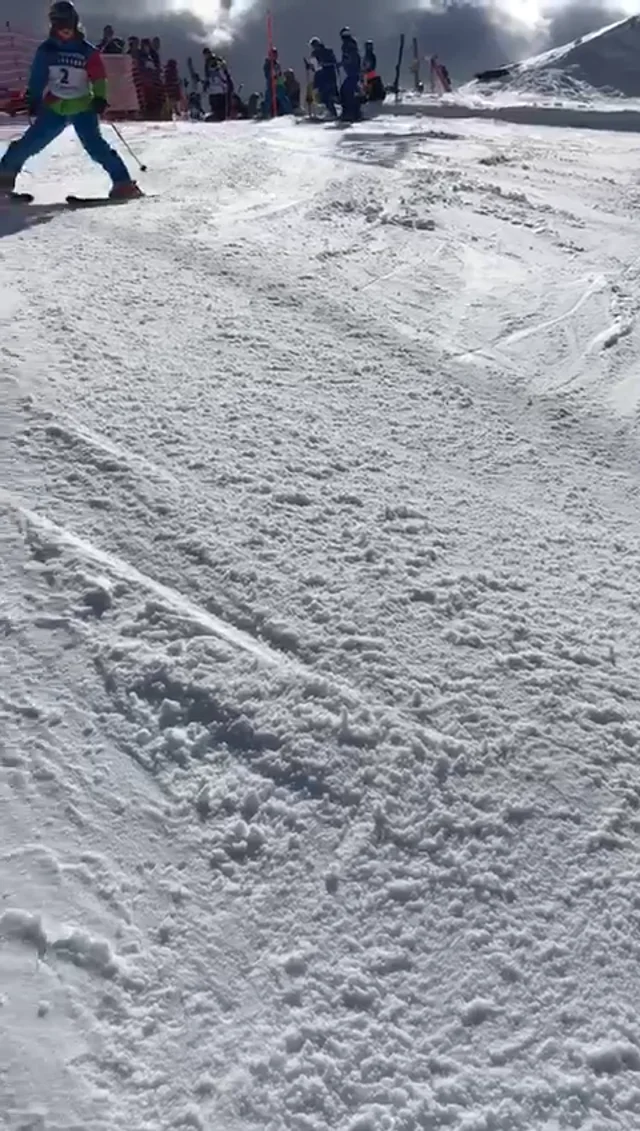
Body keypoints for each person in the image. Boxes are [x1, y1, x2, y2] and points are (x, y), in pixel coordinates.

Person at [0, 0, 140, 199]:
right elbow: (38, 76)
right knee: (28, 144)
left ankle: (123, 184)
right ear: (53, 26)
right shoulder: (47, 50)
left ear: (76, 23)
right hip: (55, 106)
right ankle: (2, 183)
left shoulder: (87, 51)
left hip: (83, 106)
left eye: (69, 25)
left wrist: (100, 97)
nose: (65, 30)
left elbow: (98, 77)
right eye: (60, 26)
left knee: (95, 146)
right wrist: (33, 97)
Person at [307, 37, 338, 118]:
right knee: (321, 95)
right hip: (321, 77)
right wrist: (309, 66)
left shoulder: (327, 51)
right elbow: (315, 67)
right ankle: (328, 111)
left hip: (328, 76)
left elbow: (333, 62)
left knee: (327, 95)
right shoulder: (315, 54)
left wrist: (324, 64)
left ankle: (332, 112)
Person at [338, 27, 362, 121]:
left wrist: (343, 63)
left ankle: (350, 113)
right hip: (352, 73)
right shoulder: (351, 45)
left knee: (346, 92)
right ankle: (352, 112)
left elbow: (351, 59)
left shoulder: (348, 46)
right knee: (348, 92)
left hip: (353, 73)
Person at [263, 47, 291, 116]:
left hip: (278, 84)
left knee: (283, 98)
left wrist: (280, 79)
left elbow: (279, 74)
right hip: (271, 84)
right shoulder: (268, 64)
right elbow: (267, 74)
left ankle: (289, 112)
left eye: (276, 55)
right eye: (273, 55)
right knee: (268, 99)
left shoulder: (277, 64)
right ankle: (264, 113)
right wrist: (272, 75)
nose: (275, 56)